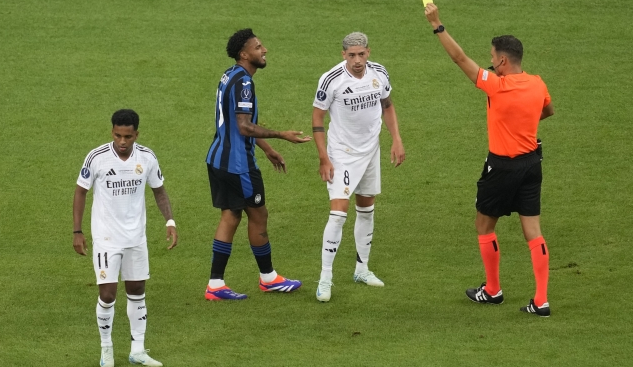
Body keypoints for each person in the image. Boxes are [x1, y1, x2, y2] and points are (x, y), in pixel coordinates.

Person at [424, 3, 555, 316]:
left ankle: (493, 290)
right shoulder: (537, 83)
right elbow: (547, 111)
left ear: (504, 61)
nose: (492, 64)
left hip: (502, 167)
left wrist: (437, 24)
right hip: (532, 165)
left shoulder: (497, 86)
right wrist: (523, 121)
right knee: (533, 232)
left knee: (484, 226)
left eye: (494, 59)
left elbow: (459, 59)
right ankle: (541, 300)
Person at [204, 28, 311, 301]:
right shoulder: (245, 83)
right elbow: (243, 126)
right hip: (238, 165)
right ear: (244, 54)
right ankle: (268, 278)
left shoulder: (230, 74)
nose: (264, 50)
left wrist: (267, 149)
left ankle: (216, 284)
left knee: (230, 215)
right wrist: (280, 135)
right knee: (258, 215)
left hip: (218, 159)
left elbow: (234, 121)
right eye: (258, 47)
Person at [73, 109, 178, 367]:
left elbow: (159, 191)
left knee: (137, 291)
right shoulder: (96, 158)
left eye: (128, 136)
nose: (122, 141)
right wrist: (77, 231)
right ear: (112, 132)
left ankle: (137, 350)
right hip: (107, 239)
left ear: (136, 135)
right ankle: (106, 349)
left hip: (136, 238)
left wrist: (170, 221)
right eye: (118, 135)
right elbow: (80, 192)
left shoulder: (147, 157)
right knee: (108, 295)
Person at [312, 32, 405, 302]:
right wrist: (323, 157)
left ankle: (361, 269)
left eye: (361, 54)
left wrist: (396, 139)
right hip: (341, 153)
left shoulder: (379, 73)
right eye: (351, 55)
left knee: (366, 209)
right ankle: (325, 277)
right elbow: (317, 116)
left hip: (371, 150)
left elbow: (387, 105)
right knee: (338, 214)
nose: (357, 60)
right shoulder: (331, 80)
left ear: (368, 52)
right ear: (343, 55)